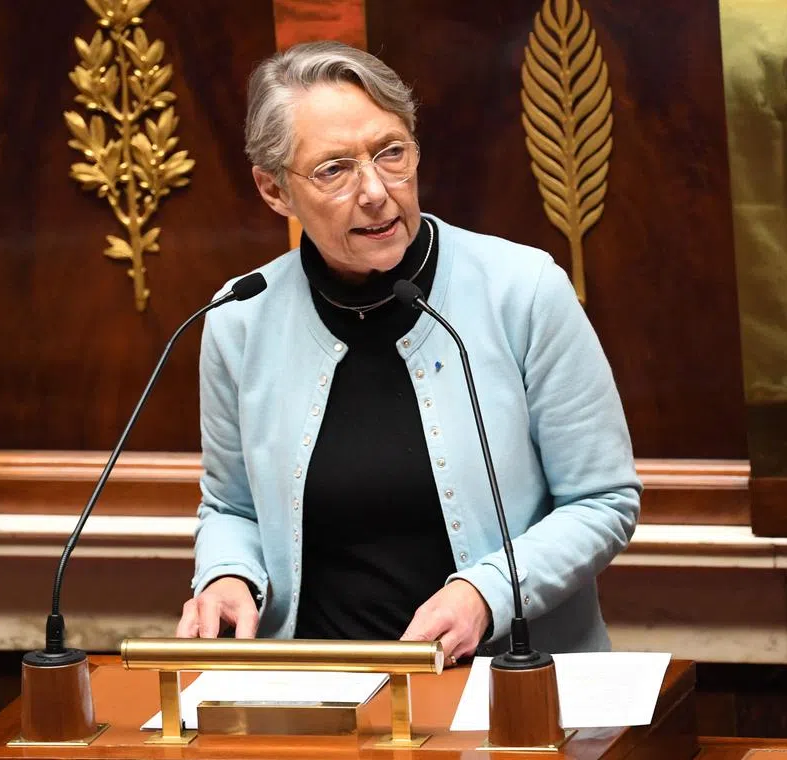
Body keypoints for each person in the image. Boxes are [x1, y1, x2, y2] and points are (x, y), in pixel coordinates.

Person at [176, 40, 641, 664]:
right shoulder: (240, 316)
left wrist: (487, 592)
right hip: (321, 689)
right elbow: (232, 506)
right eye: (334, 169)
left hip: (507, 683)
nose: (375, 191)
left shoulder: (523, 290)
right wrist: (228, 574)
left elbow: (602, 502)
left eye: (391, 153)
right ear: (273, 190)